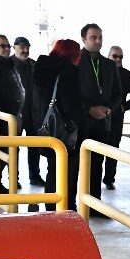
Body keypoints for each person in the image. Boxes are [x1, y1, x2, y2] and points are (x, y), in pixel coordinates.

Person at [31, 39, 84, 212]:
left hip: (46, 128)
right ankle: (63, 209)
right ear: (73, 54)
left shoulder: (42, 70)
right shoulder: (69, 72)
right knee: (65, 173)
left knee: (52, 170)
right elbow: (71, 106)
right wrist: (83, 120)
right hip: (63, 132)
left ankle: (51, 207)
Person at [77, 23, 122, 215]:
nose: (98, 41)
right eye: (93, 37)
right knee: (76, 165)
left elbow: (119, 93)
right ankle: (72, 207)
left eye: (100, 37)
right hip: (81, 122)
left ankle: (94, 206)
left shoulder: (110, 65)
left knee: (97, 164)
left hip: (103, 122)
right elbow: (70, 93)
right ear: (84, 39)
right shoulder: (75, 62)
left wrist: (108, 109)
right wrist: (89, 109)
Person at [103, 45, 130, 191]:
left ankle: (109, 179)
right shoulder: (100, 72)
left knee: (113, 149)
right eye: (115, 56)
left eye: (120, 57)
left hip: (116, 119)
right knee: (95, 150)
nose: (118, 59)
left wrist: (124, 107)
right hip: (97, 119)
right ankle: (91, 180)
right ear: (108, 56)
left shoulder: (128, 76)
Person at [0, 34, 24, 194]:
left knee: (8, 153)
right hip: (0, 120)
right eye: (2, 46)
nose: (6, 49)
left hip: (13, 119)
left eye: (8, 46)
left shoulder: (9, 63)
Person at [11, 37, 44, 187]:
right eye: (22, 47)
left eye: (27, 47)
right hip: (15, 114)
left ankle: (35, 176)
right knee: (13, 149)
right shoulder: (8, 64)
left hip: (33, 113)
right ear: (15, 47)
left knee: (34, 147)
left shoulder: (34, 65)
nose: (25, 50)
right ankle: (13, 179)